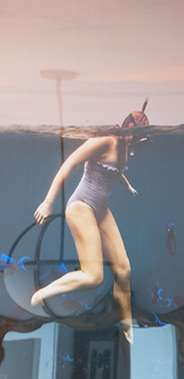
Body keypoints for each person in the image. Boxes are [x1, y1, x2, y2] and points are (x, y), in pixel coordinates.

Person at [30, 103, 151, 338]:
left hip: (101, 210)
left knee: (124, 271)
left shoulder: (125, 145)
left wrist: (127, 186)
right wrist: (48, 202)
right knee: (93, 277)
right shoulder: (103, 140)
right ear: (127, 127)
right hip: (81, 207)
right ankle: (43, 292)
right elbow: (69, 164)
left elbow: (116, 169)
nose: (135, 144)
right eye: (135, 138)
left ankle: (126, 322)